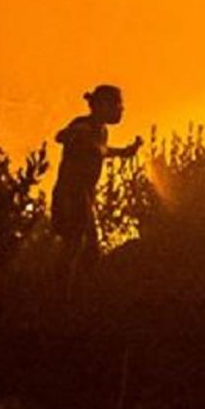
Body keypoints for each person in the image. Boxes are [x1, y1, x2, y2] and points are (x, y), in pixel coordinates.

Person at [51, 84, 142, 299]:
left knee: (89, 248)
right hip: (71, 194)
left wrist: (123, 152)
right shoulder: (82, 125)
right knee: (75, 245)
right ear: (102, 105)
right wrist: (76, 134)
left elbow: (100, 150)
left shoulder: (101, 131)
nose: (121, 109)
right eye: (117, 104)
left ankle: (77, 295)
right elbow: (61, 136)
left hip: (85, 197)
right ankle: (61, 297)